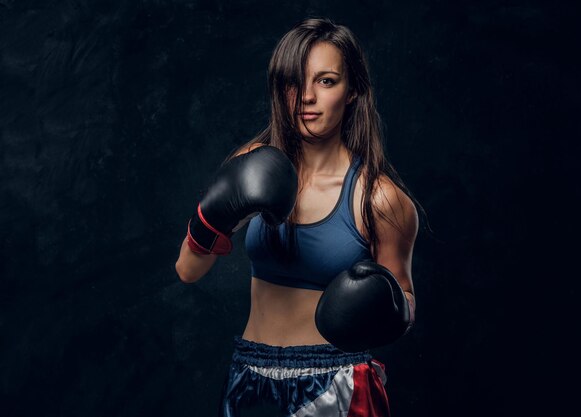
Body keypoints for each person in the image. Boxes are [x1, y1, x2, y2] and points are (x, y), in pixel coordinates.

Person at [175, 17, 428, 417]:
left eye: (326, 81)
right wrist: (212, 215)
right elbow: (187, 271)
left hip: (334, 383)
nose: (307, 97)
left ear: (353, 91)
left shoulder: (379, 199)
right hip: (249, 377)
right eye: (295, 81)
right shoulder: (252, 166)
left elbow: (405, 301)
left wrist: (387, 304)